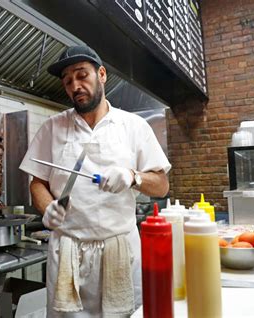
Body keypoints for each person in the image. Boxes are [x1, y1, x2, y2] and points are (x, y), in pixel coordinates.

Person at [19, 45, 171, 317]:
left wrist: (133, 176)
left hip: (120, 253)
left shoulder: (133, 126)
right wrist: (47, 208)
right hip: (68, 253)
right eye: (67, 81)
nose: (75, 85)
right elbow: (37, 182)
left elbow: (161, 184)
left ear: (101, 74)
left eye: (82, 75)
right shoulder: (52, 128)